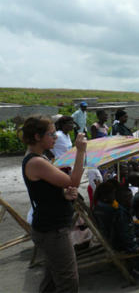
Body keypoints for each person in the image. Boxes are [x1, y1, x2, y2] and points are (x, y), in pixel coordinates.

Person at [21, 116, 87, 292]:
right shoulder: (36, 161)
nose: (55, 137)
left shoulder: (38, 158)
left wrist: (62, 194)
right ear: (37, 136)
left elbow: (45, 191)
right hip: (53, 230)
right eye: (51, 134)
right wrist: (80, 150)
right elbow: (74, 180)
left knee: (51, 279)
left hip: (49, 227)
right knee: (68, 283)